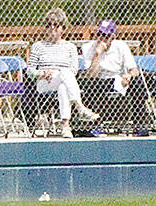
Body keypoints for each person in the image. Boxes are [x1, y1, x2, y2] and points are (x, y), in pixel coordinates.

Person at [26, 8, 99, 139]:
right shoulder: (38, 46)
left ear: (63, 28)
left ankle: (65, 126)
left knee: (63, 87)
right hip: (45, 82)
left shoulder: (70, 47)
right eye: (48, 25)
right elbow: (29, 70)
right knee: (64, 76)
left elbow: (73, 70)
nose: (52, 28)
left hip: (64, 81)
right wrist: (42, 73)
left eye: (56, 25)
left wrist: (57, 73)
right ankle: (80, 107)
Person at [81, 19, 150, 136]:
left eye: (106, 36)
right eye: (100, 34)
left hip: (118, 79)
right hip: (98, 81)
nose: (102, 38)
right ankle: (95, 124)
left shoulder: (121, 46)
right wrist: (97, 54)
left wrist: (128, 76)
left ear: (113, 37)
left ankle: (139, 123)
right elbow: (90, 75)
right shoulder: (88, 47)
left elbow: (134, 70)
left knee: (138, 82)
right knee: (89, 84)